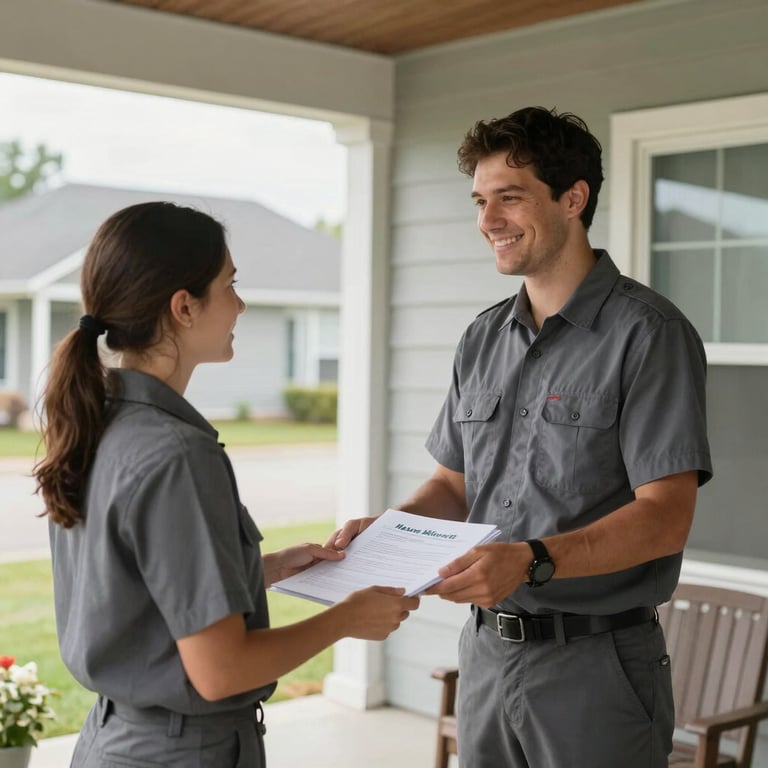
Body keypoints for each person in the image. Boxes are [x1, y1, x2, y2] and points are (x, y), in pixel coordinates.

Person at [330, 107, 712, 767]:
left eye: (510, 197)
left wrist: (533, 559)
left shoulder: (649, 334)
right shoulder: (482, 338)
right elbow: (453, 484)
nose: (488, 221)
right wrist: (387, 536)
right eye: (481, 201)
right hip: (485, 655)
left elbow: (665, 518)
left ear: (573, 198)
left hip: (596, 669)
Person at [34, 201, 419, 768]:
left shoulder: (102, 421)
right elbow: (220, 672)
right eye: (230, 285)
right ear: (184, 307)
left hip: (114, 742)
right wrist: (346, 619)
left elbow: (139, 592)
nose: (240, 304)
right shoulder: (176, 453)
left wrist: (263, 569)